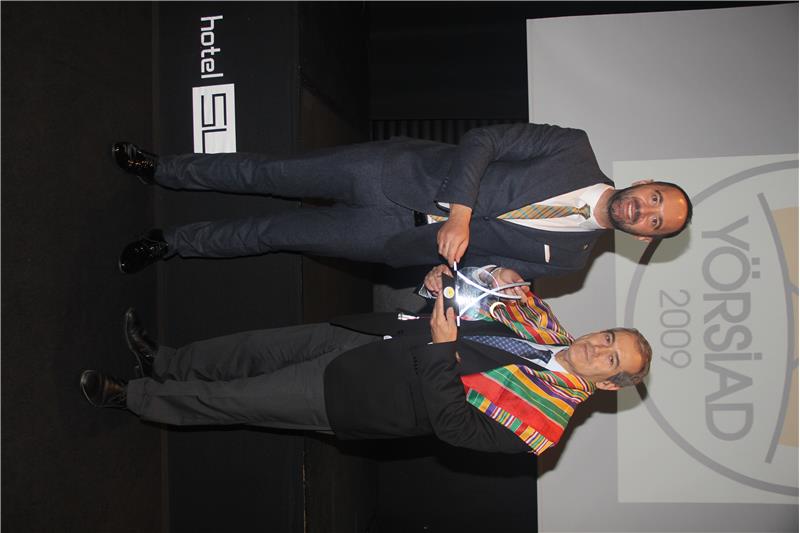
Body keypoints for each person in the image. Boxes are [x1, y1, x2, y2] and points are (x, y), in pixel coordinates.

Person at [80, 266, 652, 455]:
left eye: (611, 360)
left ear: (609, 385)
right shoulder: (539, 317)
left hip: (360, 396)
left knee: (236, 400)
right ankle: (166, 361)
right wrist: (438, 285)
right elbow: (467, 295)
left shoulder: (544, 427)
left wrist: (440, 350)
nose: (597, 348)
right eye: (608, 337)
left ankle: (134, 397)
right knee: (251, 347)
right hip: (369, 333)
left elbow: (453, 427)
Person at [114, 122, 692, 279]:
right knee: (269, 173)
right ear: (647, 182)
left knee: (275, 233)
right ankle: (161, 169)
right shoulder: (573, 149)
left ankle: (170, 245)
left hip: (395, 241)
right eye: (655, 198)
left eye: (655, 222)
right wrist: (461, 212)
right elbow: (483, 140)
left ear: (646, 238)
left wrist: (467, 278)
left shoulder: (570, 263)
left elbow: (486, 266)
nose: (644, 210)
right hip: (390, 175)